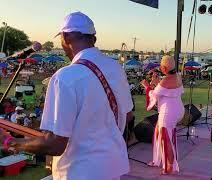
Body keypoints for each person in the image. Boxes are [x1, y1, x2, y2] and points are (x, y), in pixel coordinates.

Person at [0, 11, 133, 180]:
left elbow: (55, 145)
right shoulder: (115, 68)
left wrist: (9, 141)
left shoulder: (65, 77)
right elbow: (127, 115)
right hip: (112, 168)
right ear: (93, 38)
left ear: (66, 37)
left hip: (79, 172)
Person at [140, 56, 184, 175]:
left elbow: (154, 95)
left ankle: (169, 166)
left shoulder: (165, 81)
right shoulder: (177, 76)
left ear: (164, 68)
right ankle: (158, 160)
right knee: (159, 134)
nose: (159, 67)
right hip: (177, 109)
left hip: (168, 112)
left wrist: (147, 86)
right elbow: (166, 89)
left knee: (166, 139)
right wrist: (156, 82)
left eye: (161, 65)